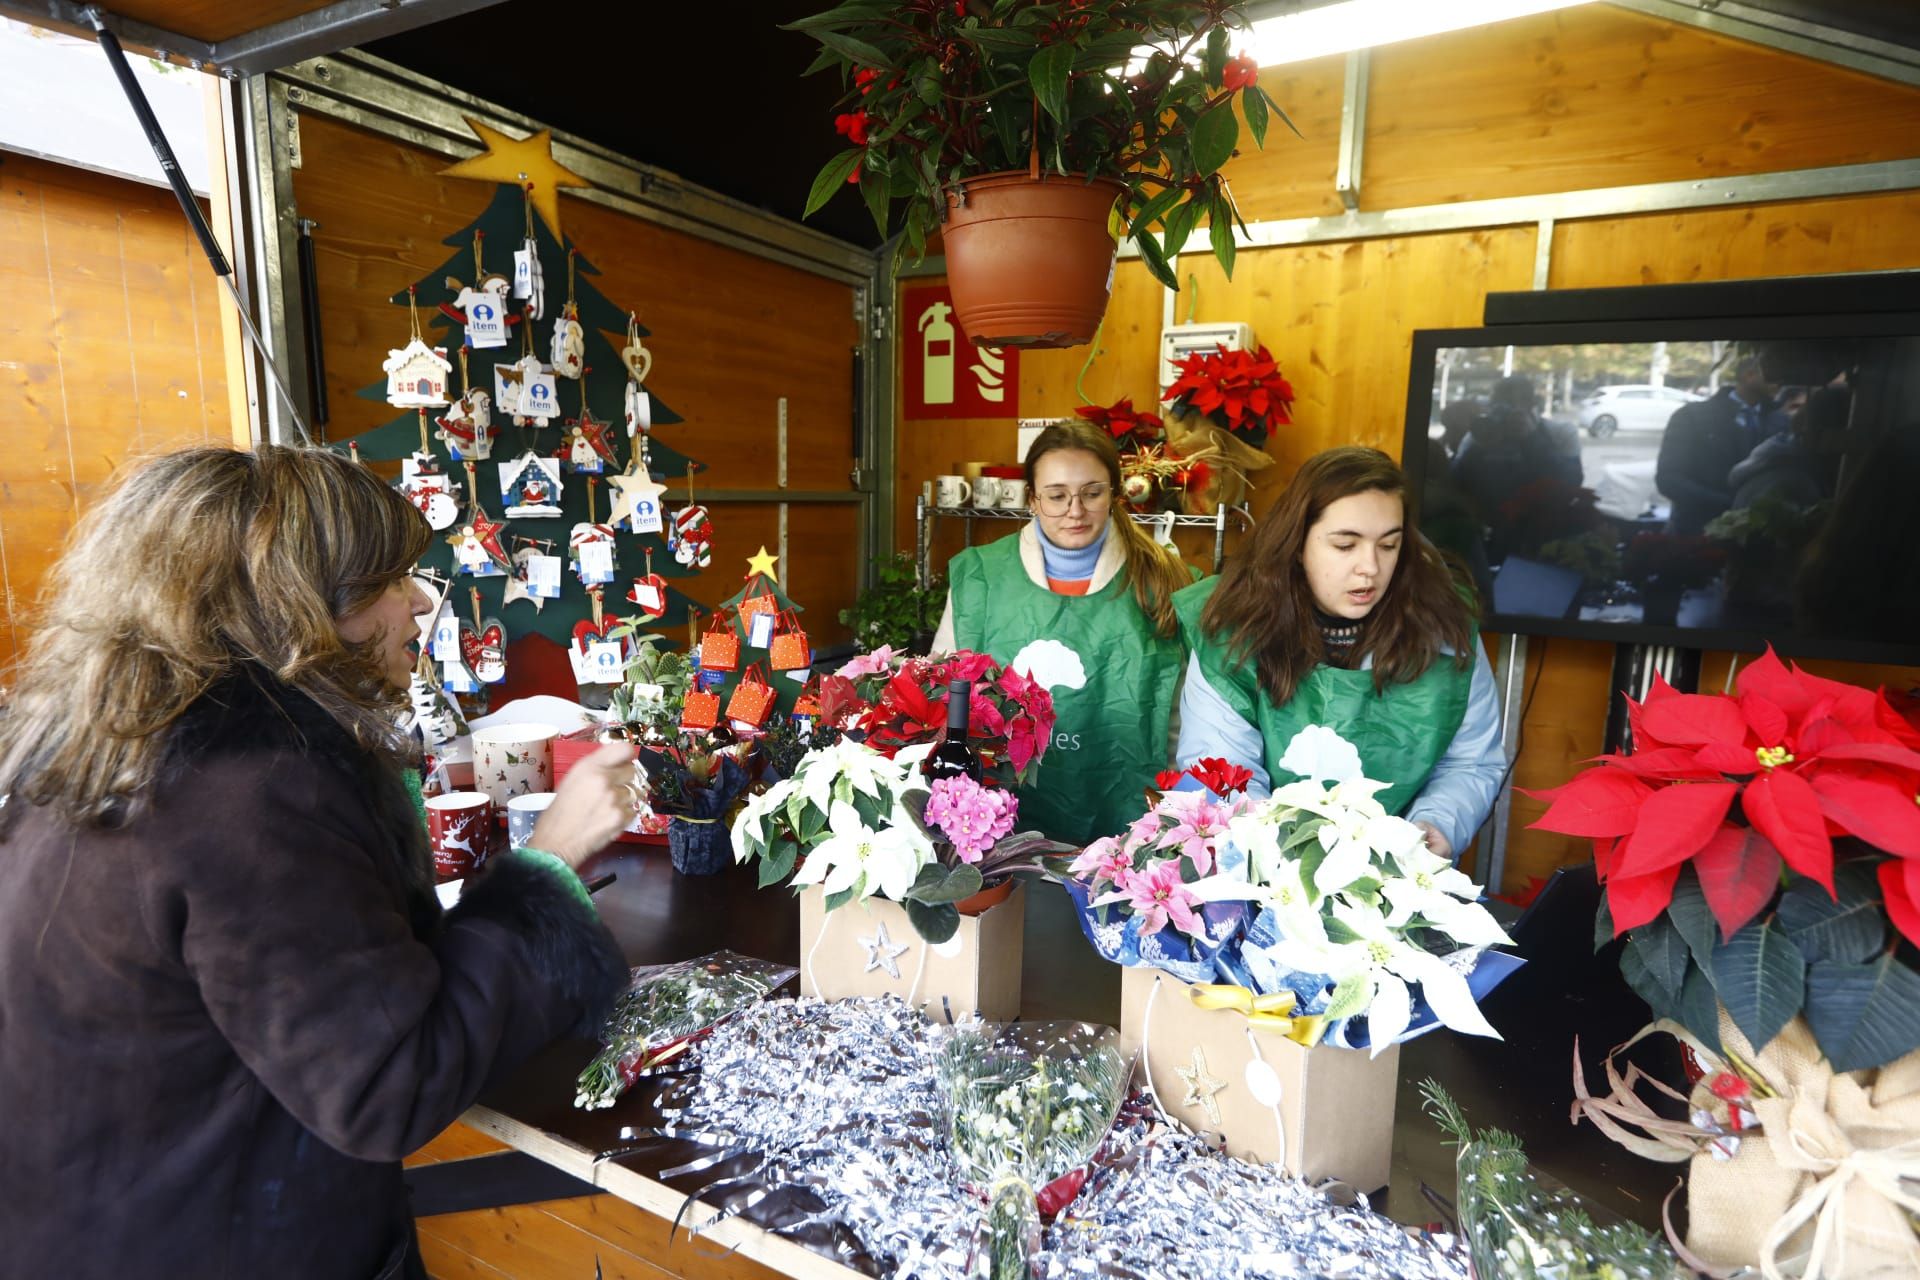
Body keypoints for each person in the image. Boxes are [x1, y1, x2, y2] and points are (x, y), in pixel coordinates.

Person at [0, 446, 641, 1279]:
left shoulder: (98, 749)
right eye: (389, 581)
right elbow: (388, 1082)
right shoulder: (252, 795)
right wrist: (550, 863)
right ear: (295, 607)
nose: (418, 602)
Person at [1175, 446, 1505, 862]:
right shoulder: (1230, 628)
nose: (1370, 567)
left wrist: (1435, 824)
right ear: (1297, 544)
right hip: (1264, 873)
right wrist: (1283, 859)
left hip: (1397, 875)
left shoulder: (1444, 626)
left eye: (1389, 545)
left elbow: (1471, 764)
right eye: (1346, 545)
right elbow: (1221, 770)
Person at [933, 421, 1194, 845]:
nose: (1075, 510)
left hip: (1126, 815)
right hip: (998, 820)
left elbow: (1182, 712)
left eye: (1092, 493)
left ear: (1114, 494)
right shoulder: (980, 576)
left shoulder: (1165, 577)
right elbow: (944, 693)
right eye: (1056, 496)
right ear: (1033, 500)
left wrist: (1175, 810)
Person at [1656, 355, 1781, 534]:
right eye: (1772, 374)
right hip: (1697, 535)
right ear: (1749, 375)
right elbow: (1668, 479)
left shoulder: (1780, 421)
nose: (1779, 382)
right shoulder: (1691, 416)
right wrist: (1730, 504)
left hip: (1760, 537)